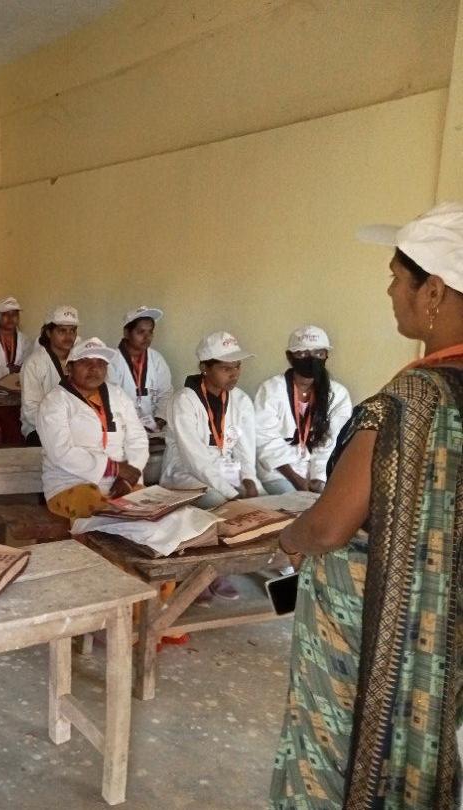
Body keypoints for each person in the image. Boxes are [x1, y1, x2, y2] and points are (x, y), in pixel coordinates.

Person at [270, 202, 463, 808]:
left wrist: (290, 537)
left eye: (397, 278)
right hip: (443, 634)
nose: (390, 291)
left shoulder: (409, 400)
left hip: (367, 632)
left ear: (433, 291)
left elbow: (330, 526)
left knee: (339, 757)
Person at [161, 331, 261, 602]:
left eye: (237, 366)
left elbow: (245, 447)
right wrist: (231, 491)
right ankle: (203, 575)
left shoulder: (240, 400)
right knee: (219, 504)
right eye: (226, 368)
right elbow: (195, 459)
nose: (234, 374)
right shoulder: (184, 400)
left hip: (225, 472)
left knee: (259, 500)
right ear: (205, 368)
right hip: (185, 475)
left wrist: (249, 478)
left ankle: (219, 568)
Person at [37, 338, 149, 520]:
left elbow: (138, 440)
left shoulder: (118, 395)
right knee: (101, 517)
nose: (94, 368)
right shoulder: (55, 401)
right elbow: (61, 452)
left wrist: (128, 478)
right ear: (69, 368)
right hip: (72, 483)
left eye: (100, 363)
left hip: (120, 483)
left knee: (149, 513)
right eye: (85, 362)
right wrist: (113, 468)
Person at [254, 326, 353, 495]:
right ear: (289, 356)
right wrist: (295, 478)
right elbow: (265, 439)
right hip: (279, 471)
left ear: (326, 356)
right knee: (293, 500)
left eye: (319, 353)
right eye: (302, 354)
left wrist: (319, 477)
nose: (311, 359)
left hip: (318, 470)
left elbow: (331, 441)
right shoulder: (271, 389)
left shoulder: (338, 394)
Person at [107, 306, 173, 434]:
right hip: (123, 429)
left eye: (150, 332)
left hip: (154, 430)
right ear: (127, 333)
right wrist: (134, 427)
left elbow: (166, 394)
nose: (147, 337)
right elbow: (111, 400)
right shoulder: (111, 361)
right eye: (141, 332)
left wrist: (159, 420)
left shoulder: (157, 359)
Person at [21, 305, 80, 444]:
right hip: (41, 428)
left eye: (72, 331)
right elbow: (31, 410)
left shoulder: (81, 360)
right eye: (62, 331)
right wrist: (61, 427)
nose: (68, 336)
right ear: (48, 332)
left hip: (77, 426)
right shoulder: (34, 363)